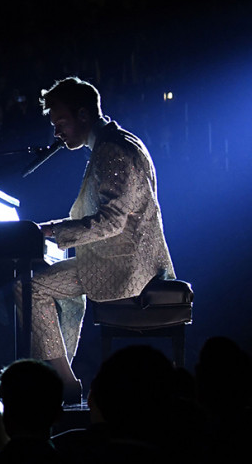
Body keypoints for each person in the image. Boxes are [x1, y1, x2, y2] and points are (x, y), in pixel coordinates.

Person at [30, 77, 175, 399]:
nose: (57, 131)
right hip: (126, 258)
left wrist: (53, 232)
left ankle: (62, 381)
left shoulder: (111, 150)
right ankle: (59, 374)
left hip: (124, 266)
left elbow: (111, 221)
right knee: (54, 287)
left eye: (61, 122)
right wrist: (55, 228)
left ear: (83, 115)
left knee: (30, 288)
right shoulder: (117, 141)